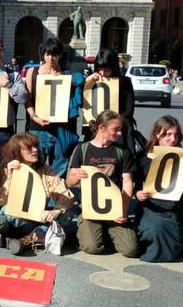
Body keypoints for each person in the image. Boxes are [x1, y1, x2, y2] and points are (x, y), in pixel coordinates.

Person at [67, 110, 139, 258]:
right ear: (101, 128)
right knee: (92, 247)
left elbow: (127, 183)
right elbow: (70, 181)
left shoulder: (122, 151)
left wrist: (123, 211)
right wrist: (76, 175)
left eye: (121, 130)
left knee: (130, 250)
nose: (120, 133)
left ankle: (109, 231)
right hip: (90, 210)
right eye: (116, 129)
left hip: (114, 210)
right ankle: (96, 232)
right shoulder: (82, 149)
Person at [136, 116, 183, 262]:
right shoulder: (143, 156)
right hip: (150, 205)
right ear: (157, 134)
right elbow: (134, 184)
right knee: (153, 229)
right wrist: (138, 193)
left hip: (173, 206)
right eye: (167, 134)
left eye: (175, 134)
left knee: (169, 234)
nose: (172, 139)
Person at [0, 133, 75, 254]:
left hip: (37, 217)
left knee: (67, 214)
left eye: (36, 146)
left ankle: (23, 241)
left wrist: (56, 211)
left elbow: (64, 194)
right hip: (17, 218)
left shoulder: (46, 170)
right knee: (6, 211)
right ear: (17, 152)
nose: (35, 150)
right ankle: (32, 238)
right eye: (29, 148)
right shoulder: (7, 169)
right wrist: (10, 178)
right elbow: (1, 201)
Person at [25, 37, 84, 178]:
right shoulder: (33, 73)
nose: (51, 58)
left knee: (59, 172)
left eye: (54, 54)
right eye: (47, 54)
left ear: (60, 55)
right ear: (43, 55)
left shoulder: (68, 75)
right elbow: (28, 101)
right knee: (35, 170)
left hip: (61, 130)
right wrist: (34, 117)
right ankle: (37, 200)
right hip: (38, 128)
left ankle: (55, 200)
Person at [83, 49, 136, 154]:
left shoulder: (124, 82)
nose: (103, 73)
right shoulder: (93, 81)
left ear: (113, 67)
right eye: (100, 69)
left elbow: (129, 110)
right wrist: (89, 81)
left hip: (119, 131)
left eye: (106, 70)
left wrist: (113, 125)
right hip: (96, 130)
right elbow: (84, 102)